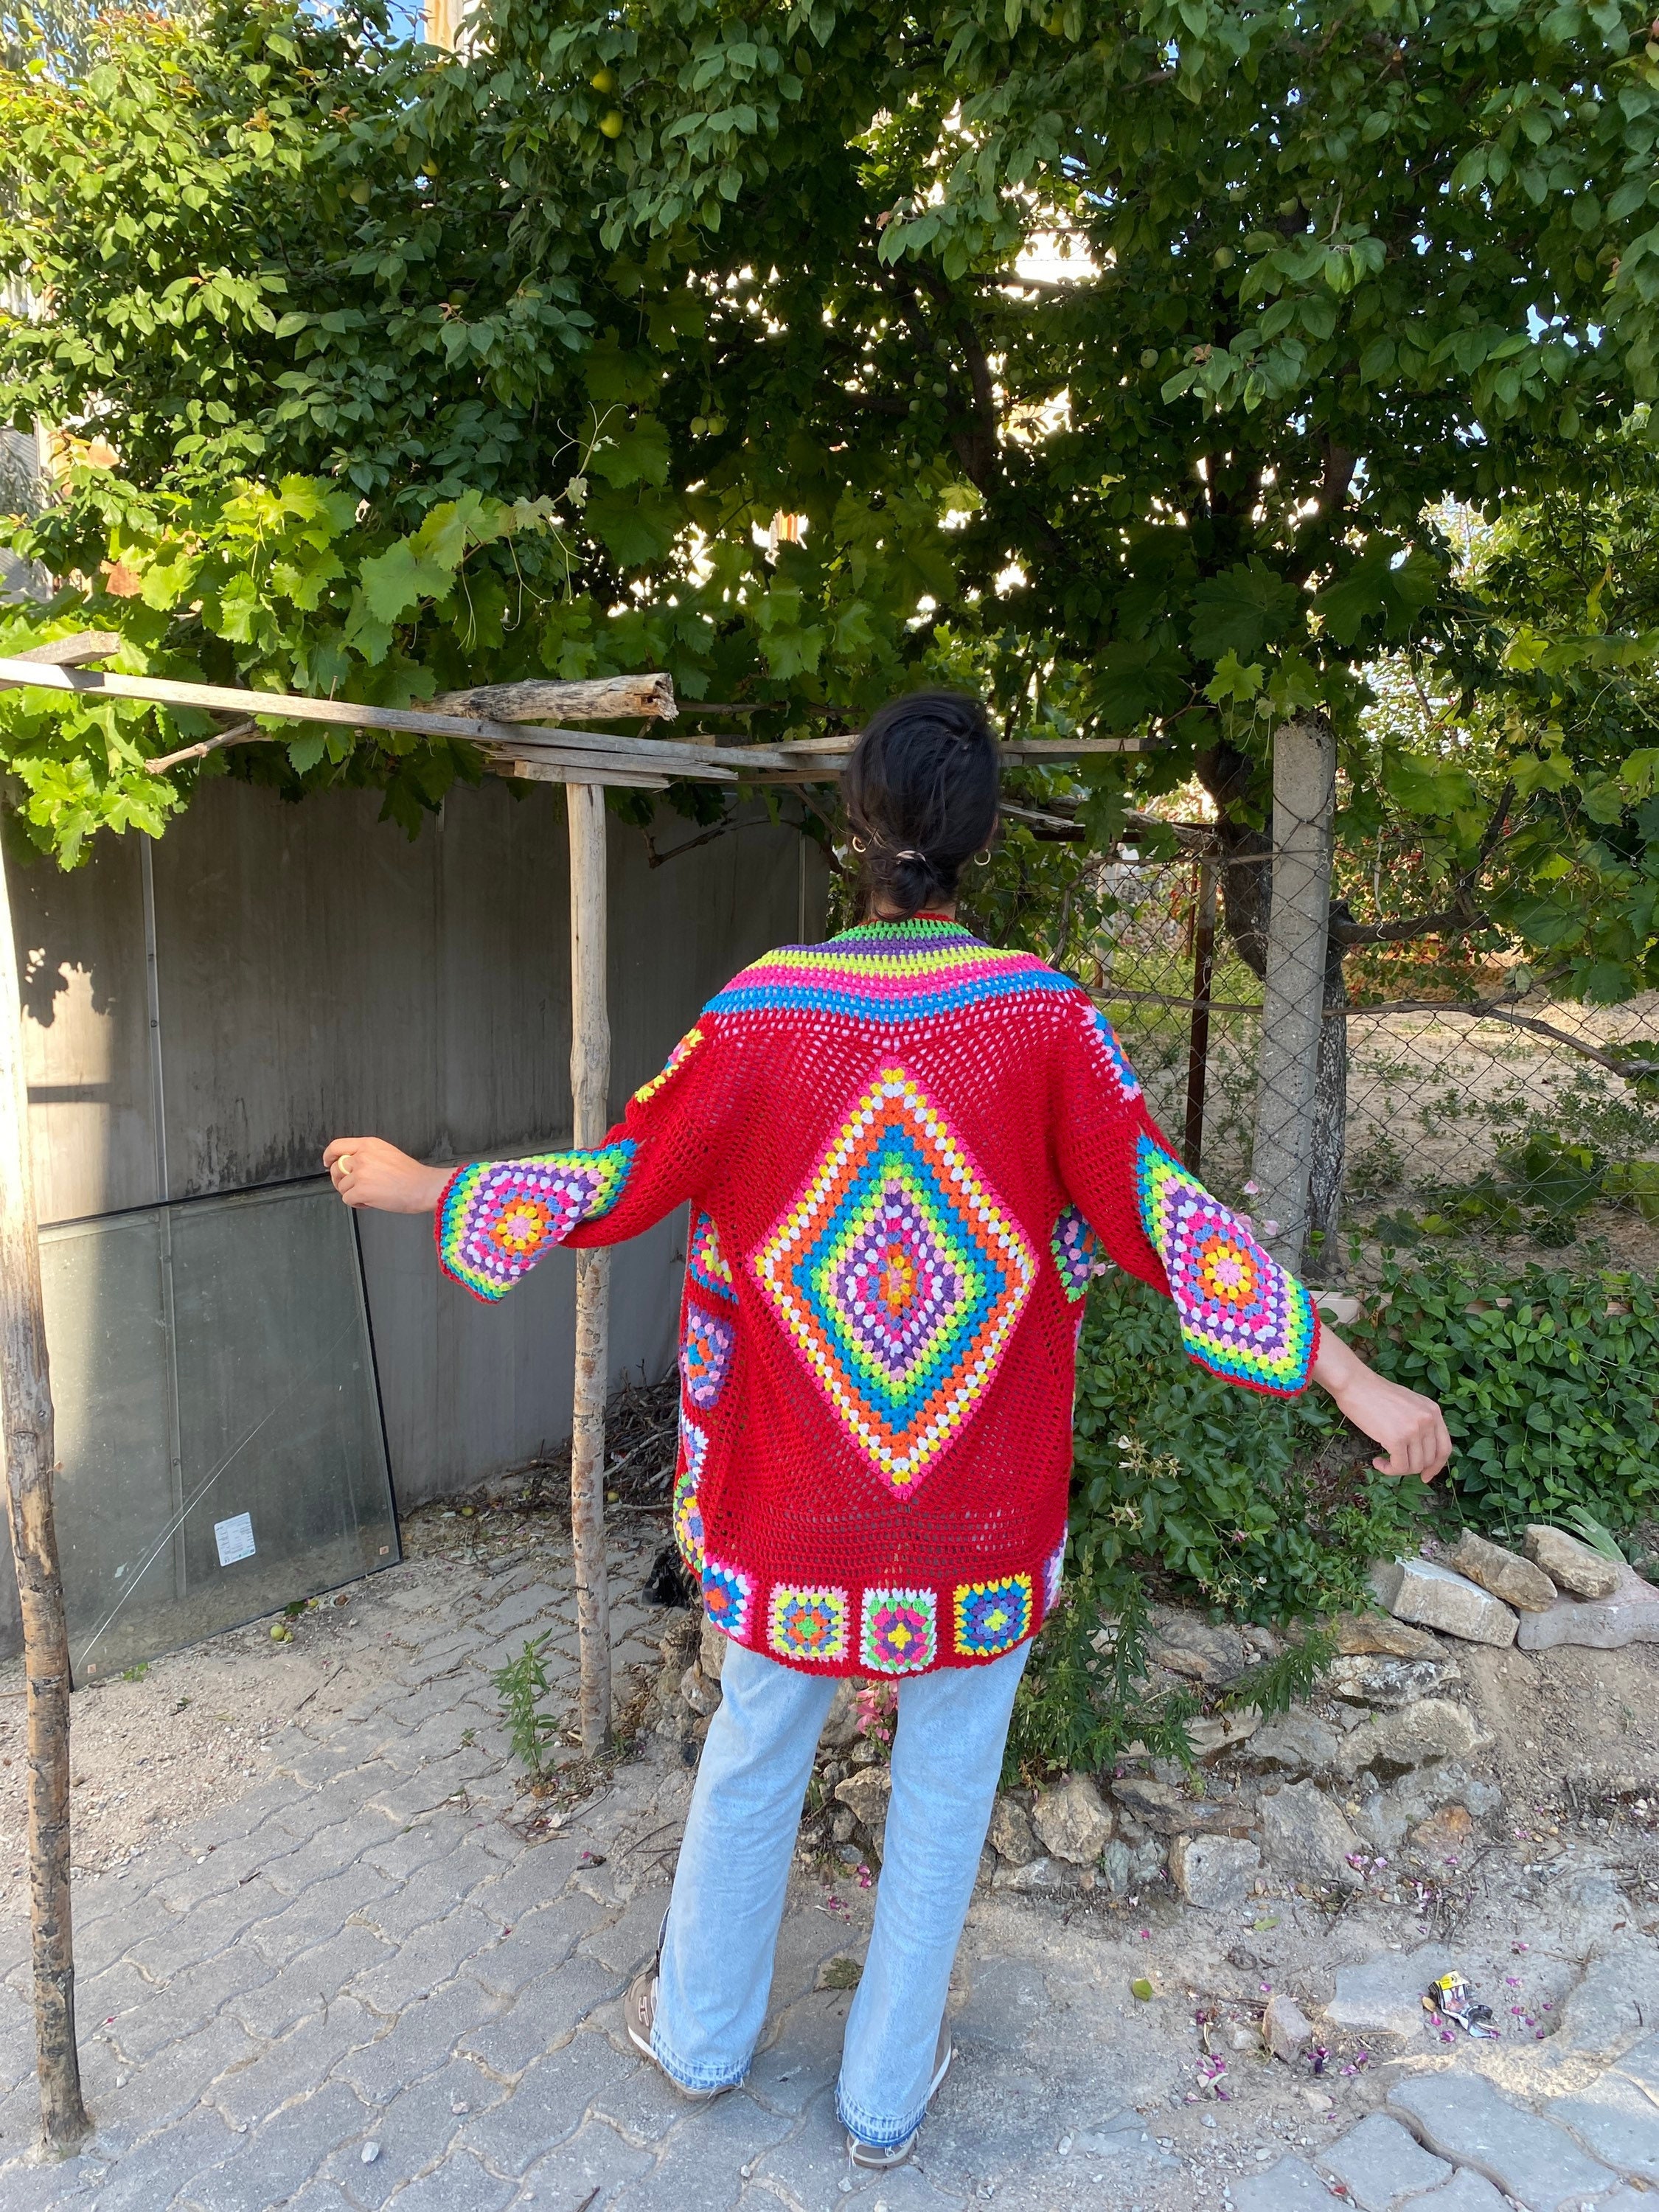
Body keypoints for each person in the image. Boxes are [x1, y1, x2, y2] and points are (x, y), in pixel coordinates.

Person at [324, 689, 1450, 2171]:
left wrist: (426, 1187)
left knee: (749, 1760)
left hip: (797, 1512)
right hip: (979, 1521)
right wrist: (1353, 1378)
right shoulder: (1047, 1024)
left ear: (856, 827)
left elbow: (625, 1174)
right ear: (983, 839)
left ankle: (704, 2040)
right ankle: (880, 2093)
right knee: (945, 1784)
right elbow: (1174, 1225)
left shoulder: (759, 1016)